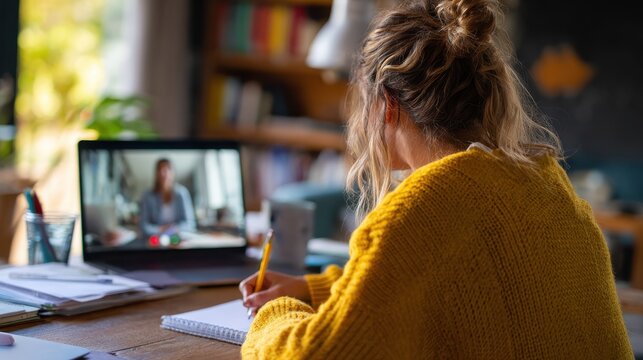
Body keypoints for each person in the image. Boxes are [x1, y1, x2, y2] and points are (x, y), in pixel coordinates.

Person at [239, 0, 633, 357]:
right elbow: (433, 281)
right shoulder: (544, 186)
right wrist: (311, 289)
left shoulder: (424, 208)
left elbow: (313, 355)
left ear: (387, 104)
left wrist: (276, 309)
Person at [139, 158, 196, 240]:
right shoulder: (147, 196)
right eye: (160, 169)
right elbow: (143, 227)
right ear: (156, 174)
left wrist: (173, 229)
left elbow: (190, 223)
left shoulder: (182, 193)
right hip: (156, 241)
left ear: (173, 173)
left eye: (167, 169)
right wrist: (160, 229)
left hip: (178, 239)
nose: (163, 173)